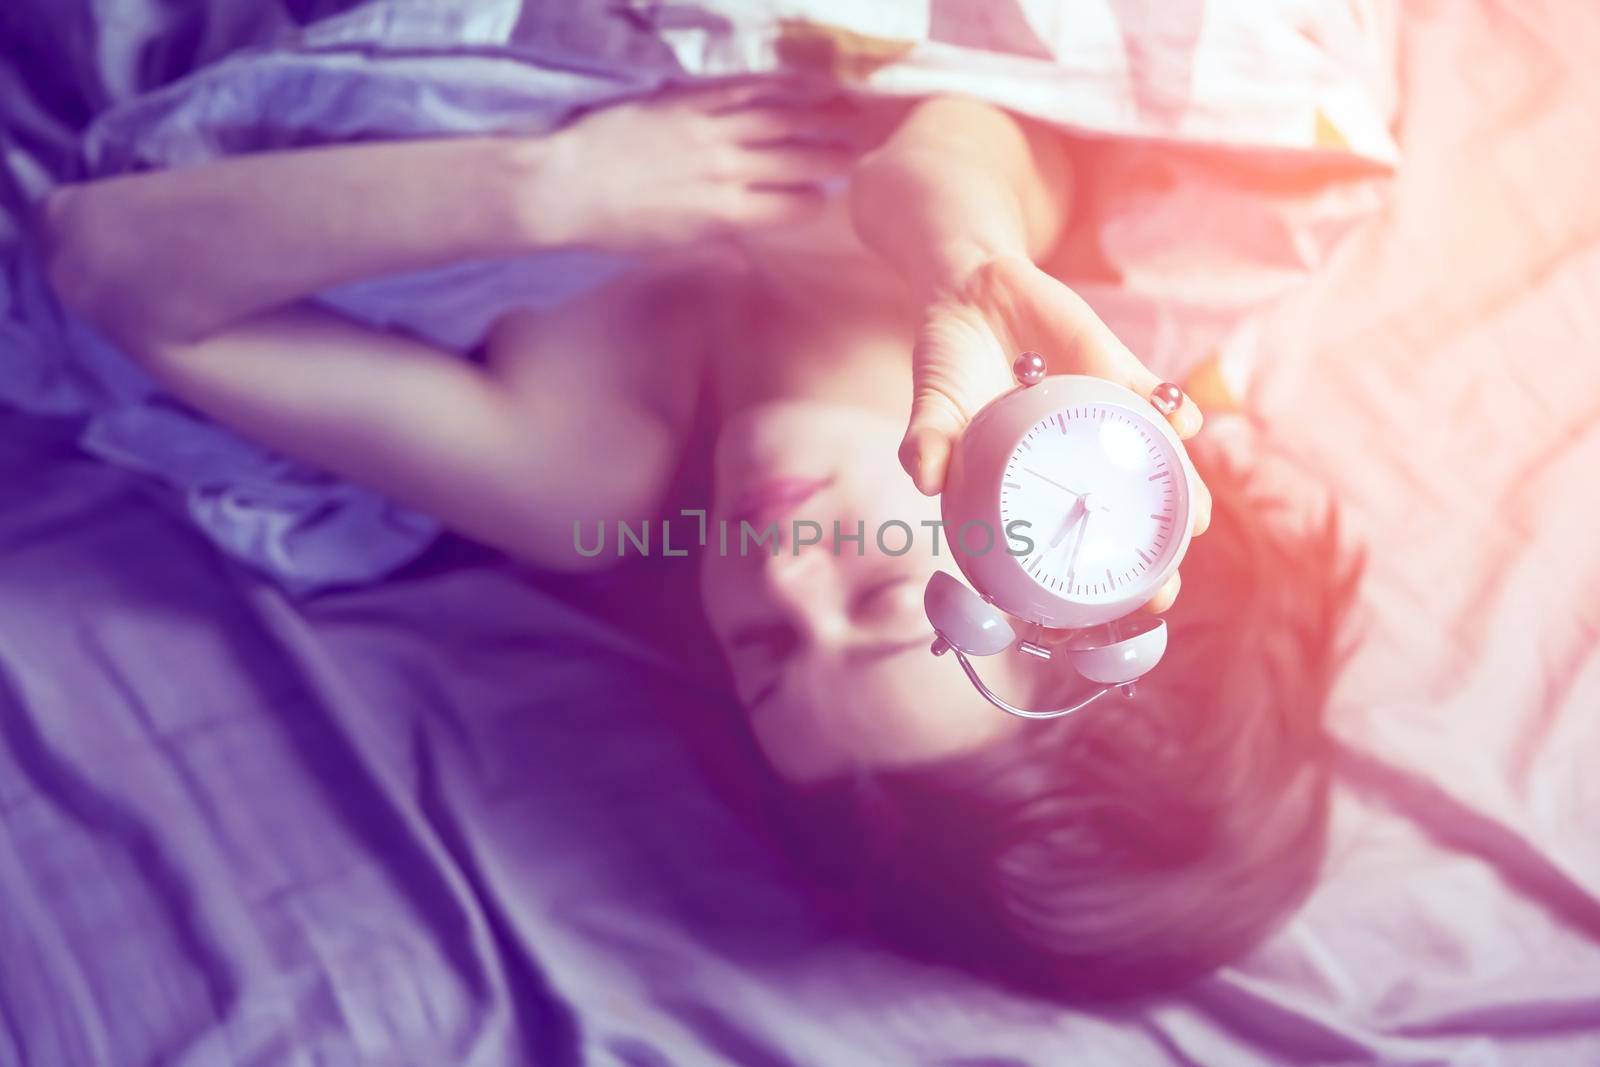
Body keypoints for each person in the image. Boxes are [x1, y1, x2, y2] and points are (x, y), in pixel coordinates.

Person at [40, 87, 1353, 998]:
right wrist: (961, 234)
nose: (778, 571)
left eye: (767, 650)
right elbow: (977, 123)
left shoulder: (577, 467)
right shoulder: (1024, 276)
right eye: (882, 590)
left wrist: (550, 190)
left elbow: (106, 263)